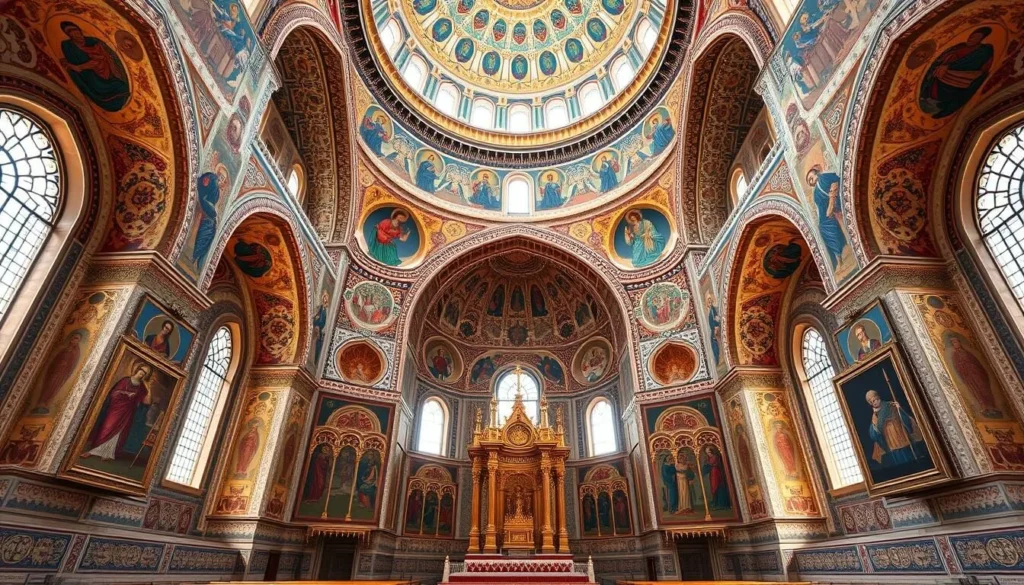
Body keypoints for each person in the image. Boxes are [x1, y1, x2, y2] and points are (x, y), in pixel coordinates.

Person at [82, 362, 153, 461]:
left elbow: (146, 402)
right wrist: (127, 394)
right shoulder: (125, 380)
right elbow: (114, 393)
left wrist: (148, 389)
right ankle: (93, 451)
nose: (143, 373)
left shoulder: (142, 387)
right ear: (138, 369)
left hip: (128, 412)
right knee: (107, 427)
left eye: (146, 373)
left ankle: (107, 453)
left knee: (119, 433)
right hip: (116, 409)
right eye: (142, 370)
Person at [920, 27, 994, 119]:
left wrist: (949, 67)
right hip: (943, 72)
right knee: (933, 73)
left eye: (975, 37)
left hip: (962, 76)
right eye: (971, 36)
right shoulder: (961, 45)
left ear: (981, 39)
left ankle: (941, 104)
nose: (970, 39)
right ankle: (928, 97)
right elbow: (943, 56)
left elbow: (969, 62)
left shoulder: (983, 50)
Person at [58, 21, 131, 112]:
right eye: (69, 32)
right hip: (88, 78)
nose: (74, 33)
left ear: (79, 30)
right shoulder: (68, 46)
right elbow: (72, 63)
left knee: (120, 86)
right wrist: (81, 67)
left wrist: (100, 63)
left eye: (75, 30)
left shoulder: (93, 41)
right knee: (103, 89)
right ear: (68, 35)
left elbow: (107, 57)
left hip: (104, 73)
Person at [866, 389, 922, 467]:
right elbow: (876, 430)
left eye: (875, 400)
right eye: (871, 402)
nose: (874, 403)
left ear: (878, 398)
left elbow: (905, 419)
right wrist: (874, 428)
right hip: (891, 442)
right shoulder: (875, 415)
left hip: (901, 437)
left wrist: (899, 408)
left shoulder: (890, 405)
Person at [806, 166, 847, 268]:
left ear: (816, 174)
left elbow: (836, 180)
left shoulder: (824, 177)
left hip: (841, 198)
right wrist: (823, 219)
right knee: (823, 227)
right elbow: (822, 208)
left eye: (811, 177)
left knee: (827, 225)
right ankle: (838, 256)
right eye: (809, 181)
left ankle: (841, 253)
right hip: (831, 210)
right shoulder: (815, 193)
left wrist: (832, 199)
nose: (811, 181)